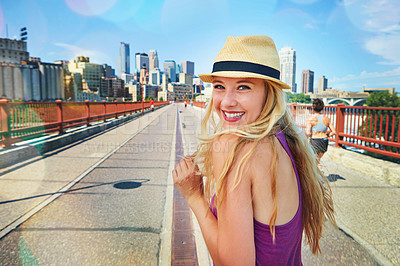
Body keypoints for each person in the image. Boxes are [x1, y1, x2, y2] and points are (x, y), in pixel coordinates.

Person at [172, 35, 335, 265]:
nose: (227, 102)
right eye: (219, 86)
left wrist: (194, 197)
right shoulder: (285, 139)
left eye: (243, 87)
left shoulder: (233, 147)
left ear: (269, 93)